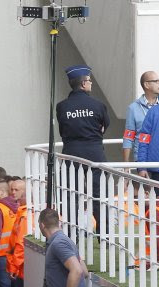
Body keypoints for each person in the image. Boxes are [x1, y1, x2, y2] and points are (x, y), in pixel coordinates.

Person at [56, 65, 109, 223]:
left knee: (70, 194)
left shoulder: (62, 107)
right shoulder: (98, 106)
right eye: (90, 81)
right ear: (84, 83)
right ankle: (103, 234)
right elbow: (104, 126)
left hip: (71, 153)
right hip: (95, 154)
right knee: (99, 196)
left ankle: (73, 232)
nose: (91, 83)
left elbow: (62, 129)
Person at [123, 71, 159, 162]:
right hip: (142, 159)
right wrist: (126, 165)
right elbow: (128, 137)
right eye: (156, 81)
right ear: (146, 85)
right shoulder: (133, 108)